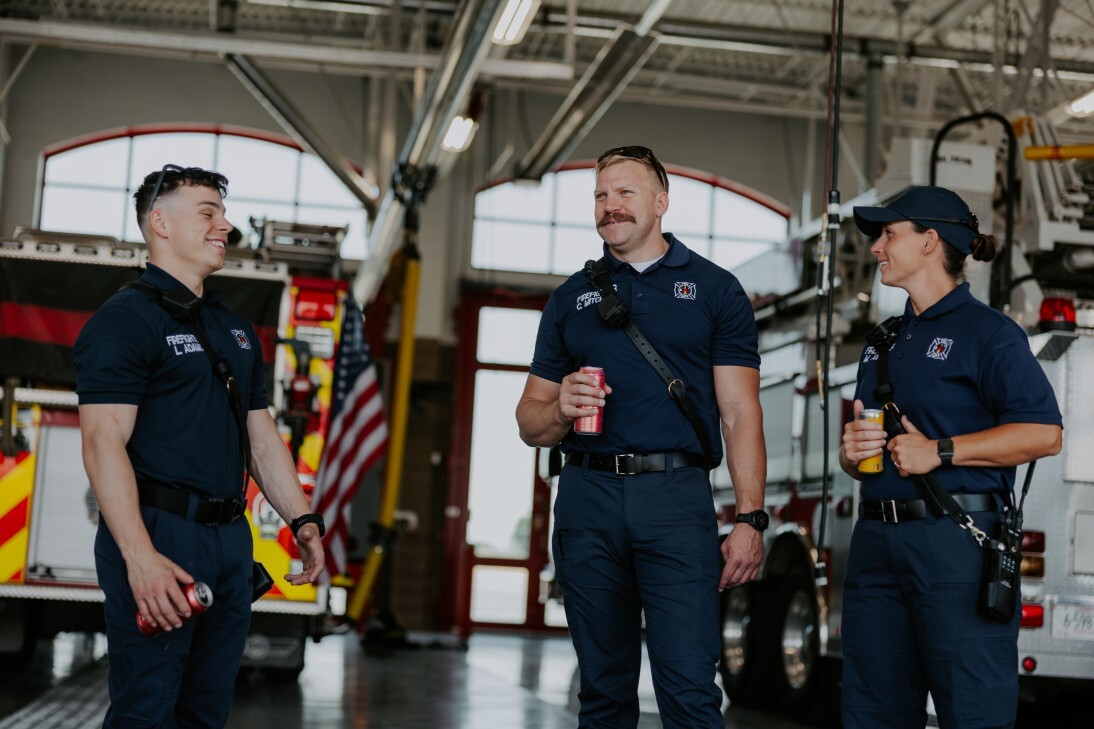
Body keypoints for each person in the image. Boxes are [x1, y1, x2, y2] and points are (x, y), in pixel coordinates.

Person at [515, 145, 767, 728]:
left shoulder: (715, 290)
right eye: (601, 196)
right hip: (587, 498)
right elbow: (529, 420)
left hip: (676, 499)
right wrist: (560, 408)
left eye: (625, 193)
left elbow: (740, 413)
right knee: (602, 691)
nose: (610, 206)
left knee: (689, 690)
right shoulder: (570, 297)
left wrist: (751, 519)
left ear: (661, 203)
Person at [75, 165, 326, 727]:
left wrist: (302, 520)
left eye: (224, 213)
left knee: (205, 713)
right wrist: (140, 559)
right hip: (160, 534)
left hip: (229, 541)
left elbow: (261, 439)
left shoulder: (233, 329)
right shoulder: (124, 322)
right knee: (147, 708)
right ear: (159, 223)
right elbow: (102, 443)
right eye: (208, 213)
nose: (226, 226)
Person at [839, 185, 1063, 729]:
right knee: (872, 714)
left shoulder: (990, 334)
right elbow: (863, 451)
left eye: (889, 234)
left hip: (955, 545)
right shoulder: (883, 341)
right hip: (874, 548)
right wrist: (852, 454)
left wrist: (939, 451)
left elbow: (1044, 434)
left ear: (929, 241)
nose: (876, 248)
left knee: (972, 711)